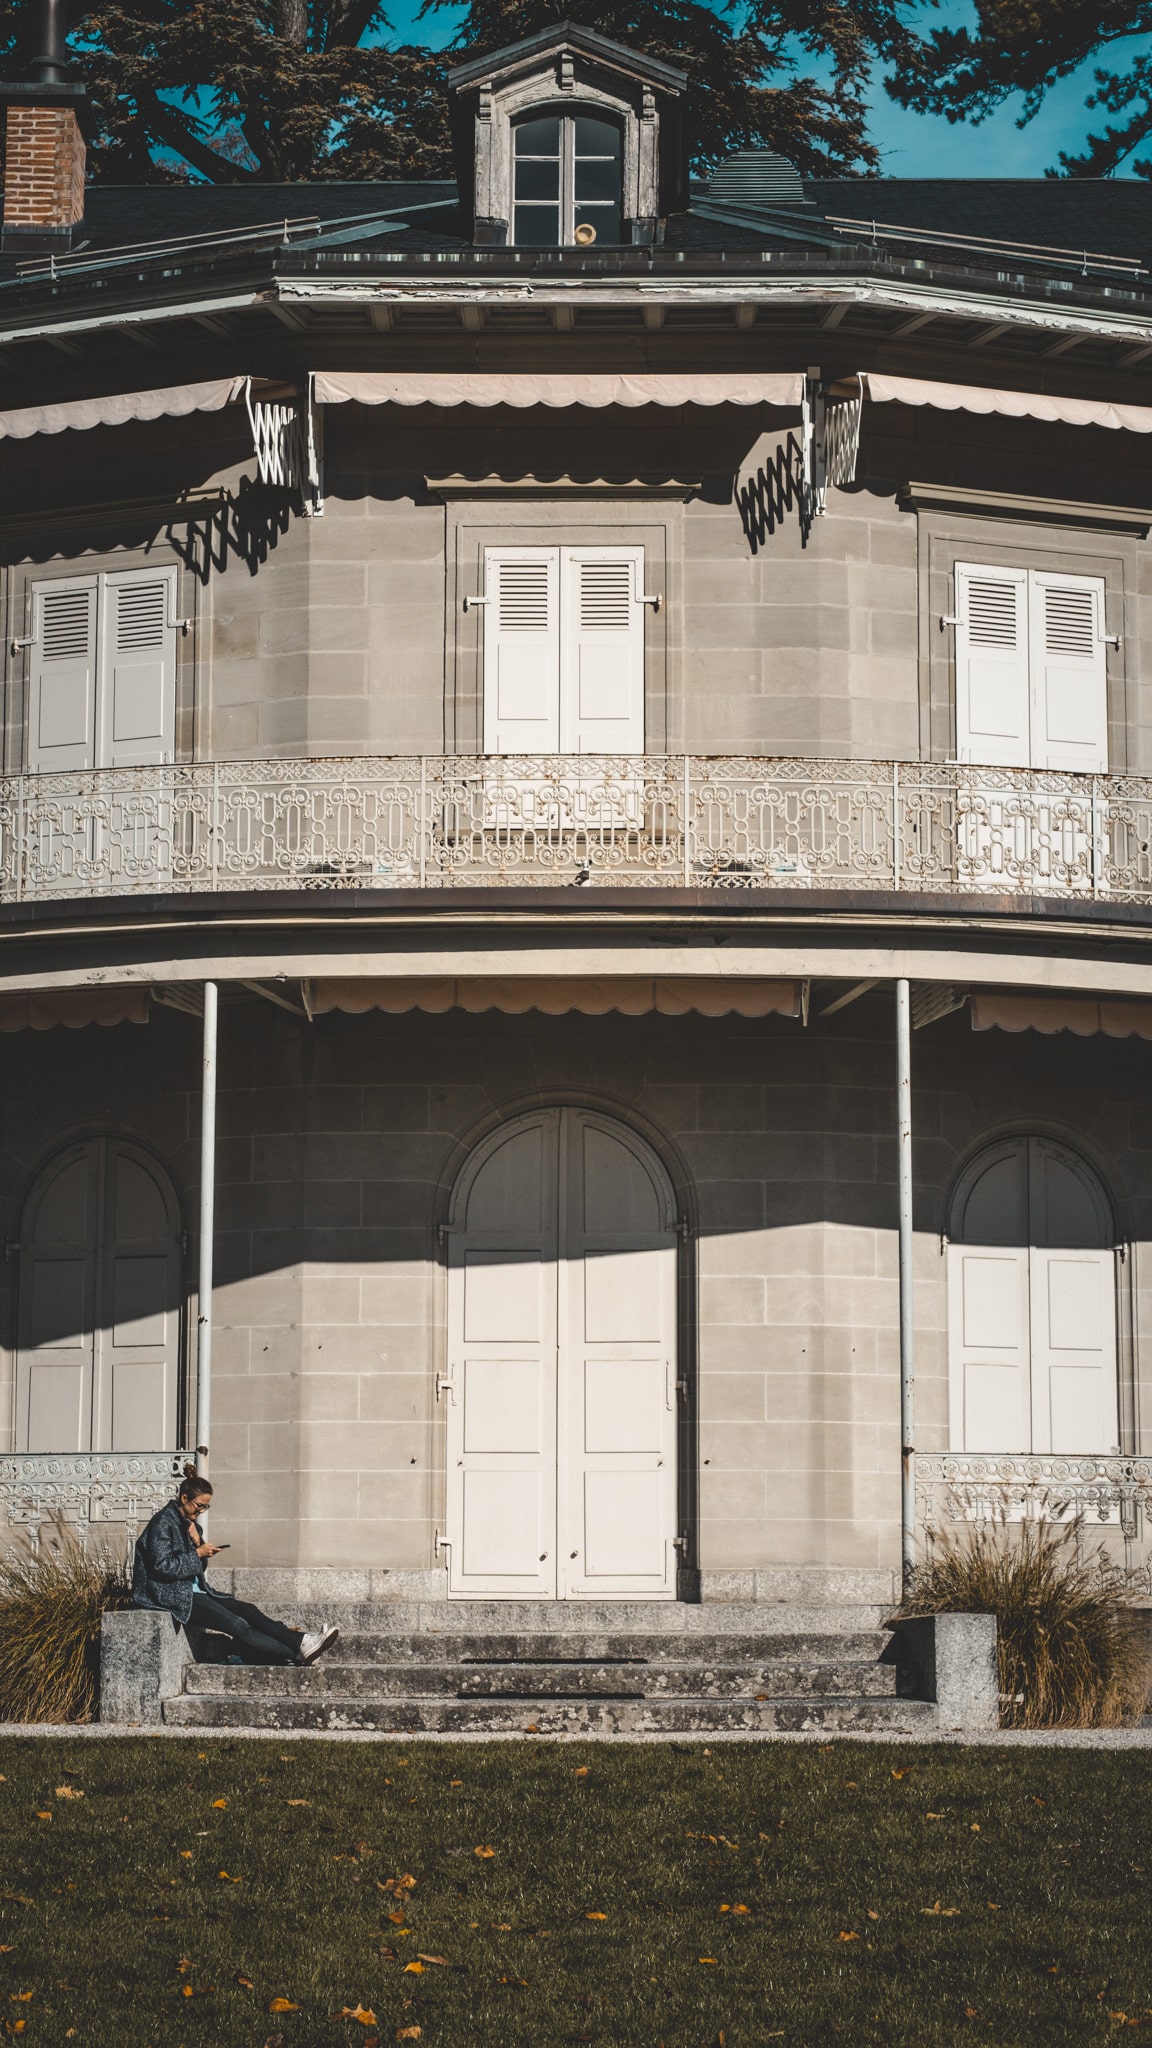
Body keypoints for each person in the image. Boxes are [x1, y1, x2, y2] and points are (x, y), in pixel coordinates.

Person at [132, 1464, 338, 1668]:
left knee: (246, 1609)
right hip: (171, 1594)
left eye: (206, 1507)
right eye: (199, 1506)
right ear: (184, 1498)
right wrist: (198, 1553)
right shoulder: (163, 1523)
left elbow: (196, 1568)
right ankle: (297, 1653)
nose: (202, 1511)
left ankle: (303, 1641)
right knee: (238, 1625)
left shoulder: (190, 1524)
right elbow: (162, 1567)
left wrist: (199, 1546)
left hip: (194, 1591)